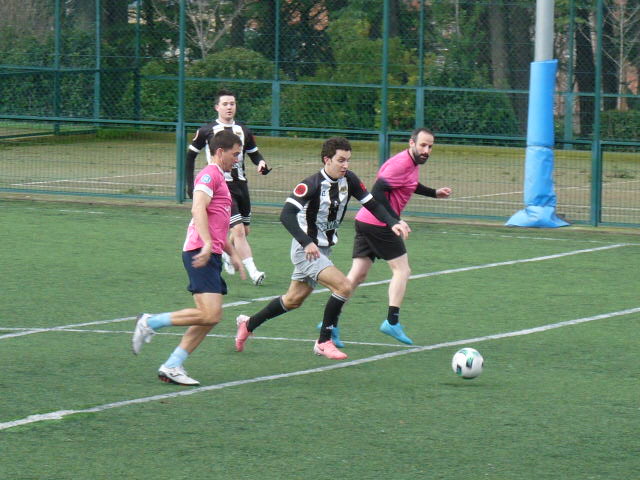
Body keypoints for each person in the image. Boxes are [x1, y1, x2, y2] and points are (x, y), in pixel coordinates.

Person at [234, 137, 411, 360]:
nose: (345, 165)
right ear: (327, 160)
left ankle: (248, 324)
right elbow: (286, 215)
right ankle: (324, 341)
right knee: (344, 286)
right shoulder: (311, 184)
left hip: (323, 250)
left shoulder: (349, 179)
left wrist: (393, 221)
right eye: (341, 160)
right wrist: (306, 242)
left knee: (293, 300)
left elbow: (372, 204)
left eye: (348, 160)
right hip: (305, 251)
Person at [132, 130, 244, 386]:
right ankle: (150, 322)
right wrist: (207, 243)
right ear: (220, 152)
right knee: (210, 315)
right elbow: (197, 208)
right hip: (199, 250)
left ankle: (172, 365)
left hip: (210, 252)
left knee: (209, 317)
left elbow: (217, 225)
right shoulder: (209, 174)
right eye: (235, 154)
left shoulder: (220, 177)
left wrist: (232, 253)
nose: (238, 159)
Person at [344, 127, 452, 345]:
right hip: (379, 223)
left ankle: (330, 323)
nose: (426, 150)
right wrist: (394, 220)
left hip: (365, 220)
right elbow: (377, 192)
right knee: (402, 270)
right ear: (411, 143)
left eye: (430, 146)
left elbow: (408, 184)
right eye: (423, 145)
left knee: (357, 275)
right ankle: (392, 322)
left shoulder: (411, 163)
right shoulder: (401, 163)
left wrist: (433, 193)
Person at [185, 88, 270, 286]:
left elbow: (254, 154)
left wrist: (261, 163)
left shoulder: (243, 130)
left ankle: (226, 253)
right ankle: (253, 272)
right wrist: (189, 185)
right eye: (225, 104)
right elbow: (190, 156)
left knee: (244, 230)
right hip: (221, 187)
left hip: (241, 186)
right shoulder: (206, 131)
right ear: (217, 107)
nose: (229, 107)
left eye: (232, 103)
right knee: (238, 230)